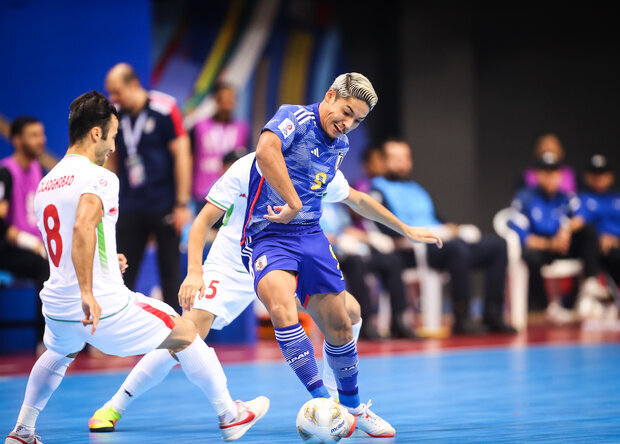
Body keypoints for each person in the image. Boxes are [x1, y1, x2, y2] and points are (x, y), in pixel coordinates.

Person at [4, 91, 268, 444]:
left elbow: (66, 241)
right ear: (96, 133)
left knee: (57, 353)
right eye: (112, 136)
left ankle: (22, 430)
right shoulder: (100, 177)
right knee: (185, 333)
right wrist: (88, 292)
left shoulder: (46, 182)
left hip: (56, 305)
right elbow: (83, 226)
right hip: (102, 306)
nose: (114, 146)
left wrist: (107, 260)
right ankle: (230, 415)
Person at [88, 152, 362, 435]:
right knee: (183, 335)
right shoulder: (241, 172)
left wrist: (404, 229)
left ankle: (339, 402)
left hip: (279, 262)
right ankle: (113, 406)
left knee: (349, 312)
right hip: (231, 266)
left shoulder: (302, 169)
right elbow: (200, 225)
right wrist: (194, 272)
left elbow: (354, 199)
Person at [239, 72, 442, 438]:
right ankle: (326, 405)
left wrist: (407, 230)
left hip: (310, 237)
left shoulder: (339, 146)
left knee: (341, 324)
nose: (347, 123)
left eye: (357, 120)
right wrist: (293, 201)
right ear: (330, 96)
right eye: (346, 111)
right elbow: (266, 152)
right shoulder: (294, 118)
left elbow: (356, 199)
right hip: (268, 233)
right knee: (283, 309)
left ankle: (350, 407)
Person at [371, 139, 514, 335]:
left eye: (405, 157)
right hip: (414, 249)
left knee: (497, 246)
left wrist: (455, 229)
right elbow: (385, 230)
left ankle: (492, 313)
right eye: (395, 158)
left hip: (442, 243)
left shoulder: (416, 189)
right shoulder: (377, 190)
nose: (402, 163)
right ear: (384, 161)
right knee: (458, 249)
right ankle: (462, 317)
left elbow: (438, 219)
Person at [104, 63, 192, 310]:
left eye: (117, 91)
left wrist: (182, 204)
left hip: (164, 203)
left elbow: (182, 155)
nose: (113, 98)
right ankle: (115, 330)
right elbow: (113, 158)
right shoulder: (116, 115)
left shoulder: (165, 109)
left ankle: (176, 335)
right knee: (121, 269)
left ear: (133, 85)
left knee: (170, 272)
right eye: (110, 93)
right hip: (131, 205)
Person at [509, 152, 603, 319]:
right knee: (530, 257)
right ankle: (545, 306)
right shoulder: (524, 198)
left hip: (564, 246)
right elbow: (522, 236)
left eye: (554, 171)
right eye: (545, 171)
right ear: (537, 174)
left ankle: (589, 284)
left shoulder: (566, 197)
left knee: (589, 232)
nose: (550, 176)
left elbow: (582, 217)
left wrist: (566, 228)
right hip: (543, 249)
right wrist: (551, 244)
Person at [0, 116, 50, 344]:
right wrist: (33, 244)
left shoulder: (39, 170)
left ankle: (84, 342)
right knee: (45, 267)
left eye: (41, 134)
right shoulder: (5, 172)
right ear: (18, 140)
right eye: (34, 135)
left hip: (36, 249)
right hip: (9, 250)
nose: (41, 140)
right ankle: (44, 343)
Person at [192, 82, 250, 210]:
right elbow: (190, 157)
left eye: (231, 99)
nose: (228, 103)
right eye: (224, 99)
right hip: (203, 192)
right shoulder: (200, 126)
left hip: (232, 192)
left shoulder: (242, 128)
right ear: (216, 101)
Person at [578, 155, 620, 286]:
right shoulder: (581, 199)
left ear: (611, 176)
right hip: (597, 251)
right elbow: (578, 222)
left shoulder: (617, 199)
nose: (598, 177)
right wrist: (600, 238)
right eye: (594, 173)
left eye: (602, 172)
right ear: (587, 176)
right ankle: (591, 285)